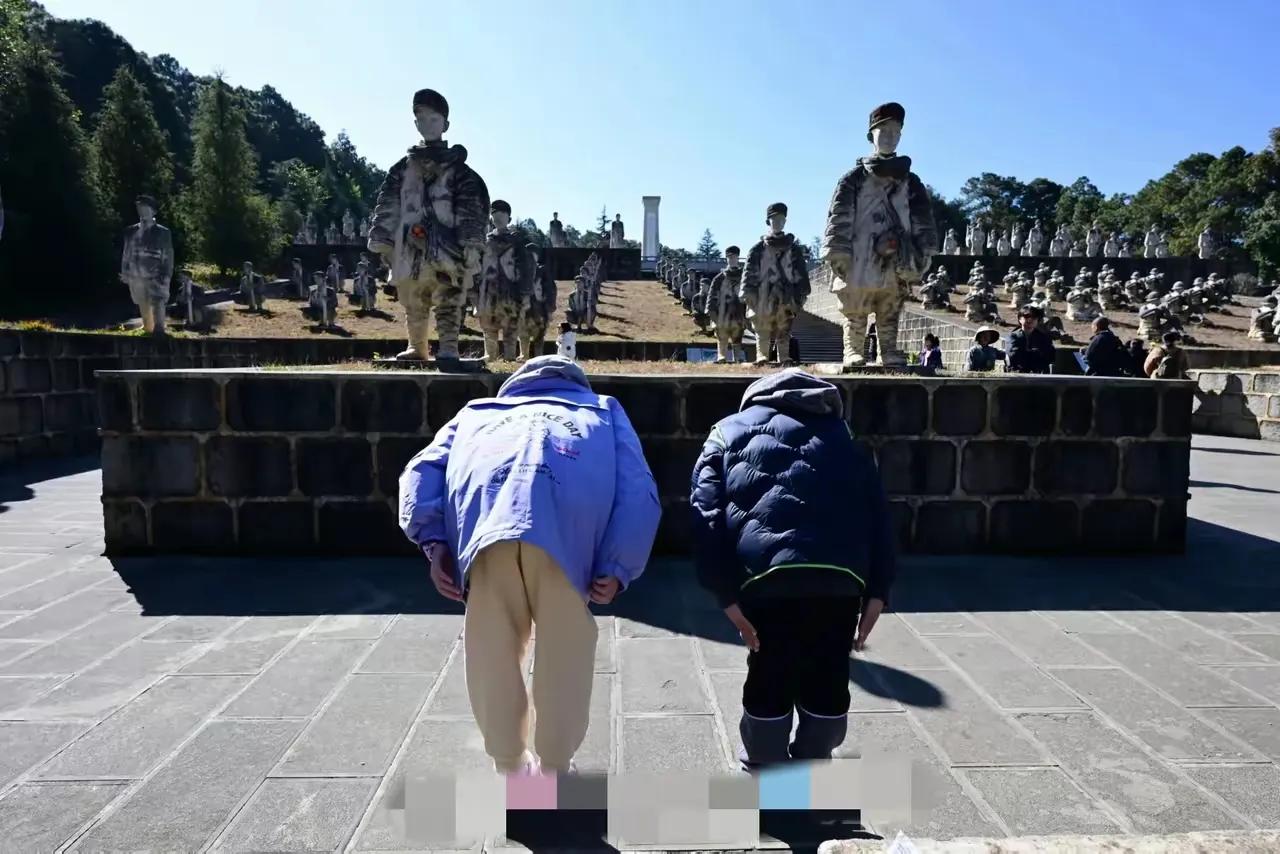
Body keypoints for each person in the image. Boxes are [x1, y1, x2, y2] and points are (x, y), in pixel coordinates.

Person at [398, 356, 661, 777]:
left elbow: (419, 472)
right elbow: (637, 488)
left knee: (491, 651)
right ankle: (555, 769)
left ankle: (510, 769)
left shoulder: (476, 412)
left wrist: (434, 542)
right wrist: (617, 564)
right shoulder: (603, 409)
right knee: (565, 654)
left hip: (489, 530)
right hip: (567, 536)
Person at [690, 370, 896, 771]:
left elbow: (705, 518)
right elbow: (878, 516)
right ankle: (811, 766)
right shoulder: (846, 437)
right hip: (839, 581)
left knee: (769, 673)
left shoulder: (725, 433)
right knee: (829, 676)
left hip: (762, 580)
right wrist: (879, 589)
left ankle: (766, 776)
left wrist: (724, 594)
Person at [1007, 304, 1056, 374]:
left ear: (1037, 320)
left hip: (1040, 374)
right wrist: (1036, 353)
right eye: (1026, 316)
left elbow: (1050, 356)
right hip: (1018, 373)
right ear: (1020, 319)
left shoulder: (1044, 337)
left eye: (1034, 317)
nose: (1030, 319)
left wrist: (1027, 353)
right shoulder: (1012, 336)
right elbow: (1014, 355)